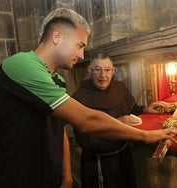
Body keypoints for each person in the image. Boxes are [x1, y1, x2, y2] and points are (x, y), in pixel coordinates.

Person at [0, 8, 177, 188]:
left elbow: (59, 131)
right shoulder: (21, 64)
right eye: (79, 45)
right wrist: (146, 135)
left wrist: (66, 175)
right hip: (12, 177)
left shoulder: (57, 79)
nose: (82, 54)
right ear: (57, 36)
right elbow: (87, 120)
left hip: (46, 176)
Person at [72, 51, 168, 188]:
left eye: (107, 70)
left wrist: (145, 109)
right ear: (89, 70)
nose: (103, 76)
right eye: (97, 70)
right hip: (99, 163)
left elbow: (131, 110)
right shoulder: (79, 98)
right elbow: (84, 139)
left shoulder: (119, 88)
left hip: (124, 156)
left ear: (113, 70)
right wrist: (117, 123)